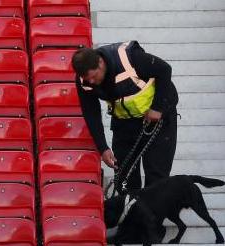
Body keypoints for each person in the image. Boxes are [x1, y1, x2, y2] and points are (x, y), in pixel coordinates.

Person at [72, 41, 179, 192]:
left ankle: (152, 214)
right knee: (124, 179)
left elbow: (165, 70)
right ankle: (129, 213)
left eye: (94, 76)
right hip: (124, 123)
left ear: (101, 62)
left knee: (156, 178)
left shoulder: (131, 58)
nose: (92, 82)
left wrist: (157, 108)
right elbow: (91, 112)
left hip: (158, 120)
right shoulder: (84, 81)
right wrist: (102, 148)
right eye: (87, 79)